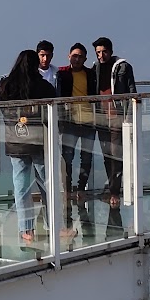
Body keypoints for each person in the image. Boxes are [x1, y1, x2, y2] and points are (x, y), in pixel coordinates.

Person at [0, 48, 61, 247]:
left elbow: (4, 111)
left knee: (21, 186)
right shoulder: (43, 87)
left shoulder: (6, 87)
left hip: (15, 141)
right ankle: (55, 225)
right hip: (39, 142)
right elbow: (53, 111)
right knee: (47, 184)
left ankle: (26, 229)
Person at [92, 37, 136, 206]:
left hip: (117, 117)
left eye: (104, 51)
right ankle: (112, 189)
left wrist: (129, 118)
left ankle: (115, 192)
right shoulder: (95, 68)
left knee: (116, 155)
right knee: (106, 156)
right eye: (98, 52)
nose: (101, 55)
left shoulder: (123, 67)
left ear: (111, 51)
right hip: (101, 118)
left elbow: (132, 92)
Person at [56, 44, 99, 199]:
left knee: (86, 157)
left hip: (89, 121)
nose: (77, 59)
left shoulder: (90, 74)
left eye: (80, 57)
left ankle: (81, 189)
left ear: (85, 59)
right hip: (69, 122)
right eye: (74, 56)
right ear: (69, 56)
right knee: (67, 157)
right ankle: (67, 189)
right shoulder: (62, 74)